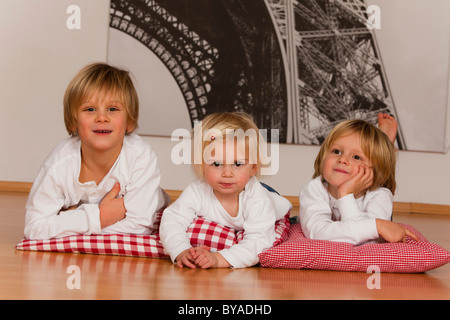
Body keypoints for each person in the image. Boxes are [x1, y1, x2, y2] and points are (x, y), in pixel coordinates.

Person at [24, 63, 170, 240]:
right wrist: (99, 216)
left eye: (113, 109)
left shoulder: (140, 156)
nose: (102, 117)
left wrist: (73, 220)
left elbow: (140, 226)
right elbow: (34, 227)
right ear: (73, 122)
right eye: (90, 109)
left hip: (155, 209)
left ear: (129, 122)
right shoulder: (59, 164)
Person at [159, 112, 292, 269]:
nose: (227, 173)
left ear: (253, 168)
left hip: (273, 202)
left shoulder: (259, 200)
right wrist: (180, 250)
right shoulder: (198, 190)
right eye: (216, 164)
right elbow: (173, 219)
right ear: (202, 165)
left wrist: (219, 259)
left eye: (237, 164)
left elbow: (258, 242)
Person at [299, 117, 419, 245]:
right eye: (336, 151)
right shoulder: (314, 188)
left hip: (376, 186)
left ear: (374, 170)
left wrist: (345, 195)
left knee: (384, 178)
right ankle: (385, 144)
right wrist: (376, 226)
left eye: (356, 157)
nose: (342, 159)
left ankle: (386, 146)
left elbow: (368, 243)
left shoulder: (380, 196)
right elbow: (317, 234)